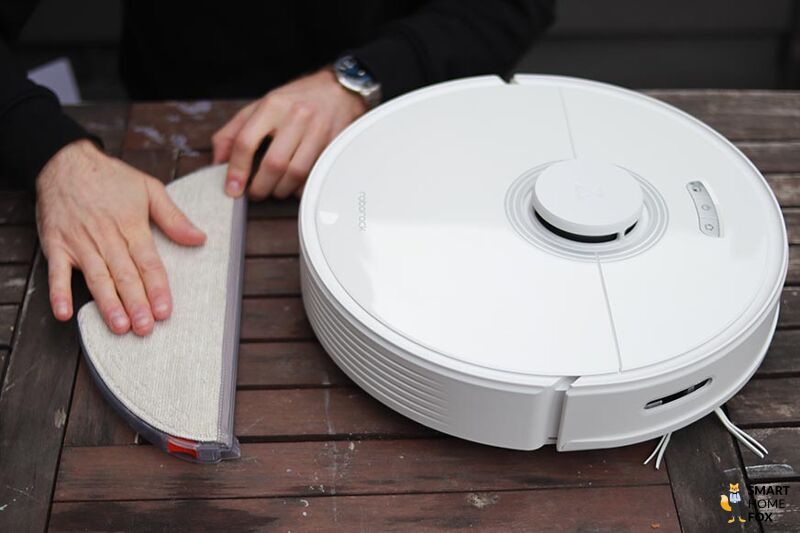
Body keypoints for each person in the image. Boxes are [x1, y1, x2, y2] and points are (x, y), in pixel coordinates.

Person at [0, 1, 555, 336]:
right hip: (175, 131)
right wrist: (53, 154)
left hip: (401, 124)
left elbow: (512, 4)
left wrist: (364, 78)